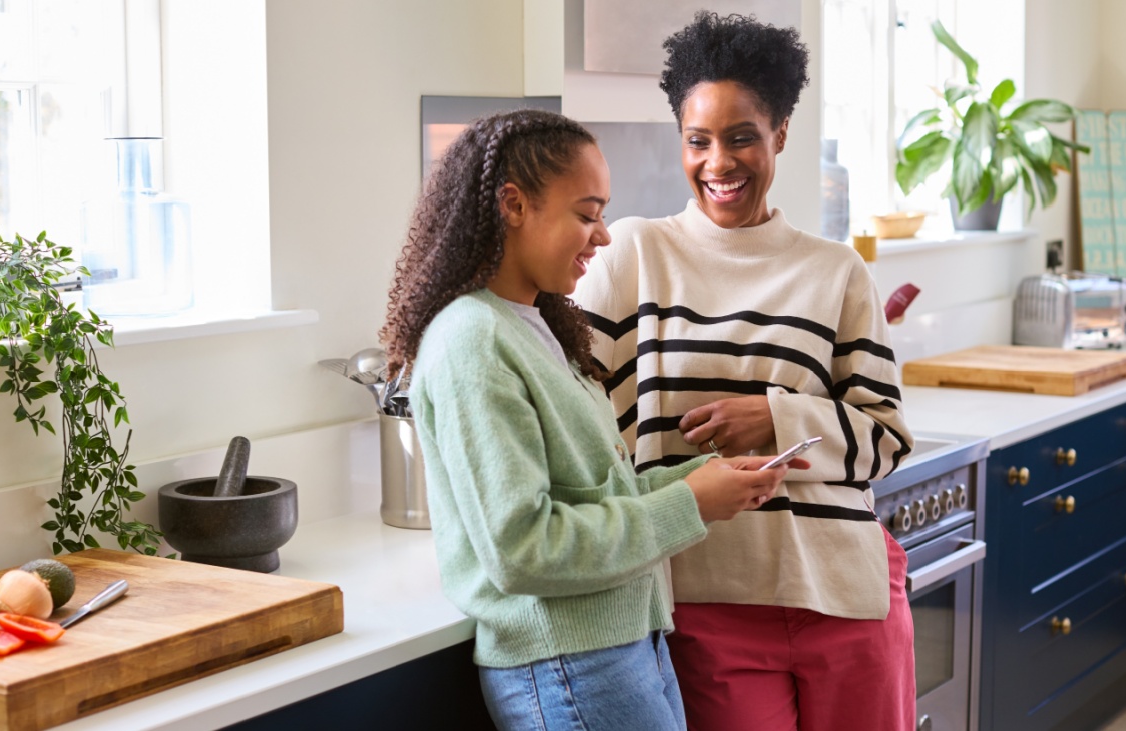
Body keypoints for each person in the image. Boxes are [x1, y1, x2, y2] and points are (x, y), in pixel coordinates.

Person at [383, 108, 804, 731]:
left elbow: (591, 497)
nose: (603, 236)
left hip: (618, 650)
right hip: (570, 666)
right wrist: (688, 503)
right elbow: (524, 550)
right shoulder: (471, 339)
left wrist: (705, 480)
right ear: (513, 204)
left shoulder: (534, 326)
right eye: (586, 214)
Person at [574, 13, 917, 731]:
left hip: (845, 589)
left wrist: (777, 417)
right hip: (708, 596)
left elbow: (885, 439)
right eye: (698, 141)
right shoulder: (631, 257)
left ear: (781, 134)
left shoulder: (837, 272)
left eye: (741, 138)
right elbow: (573, 418)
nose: (718, 163)